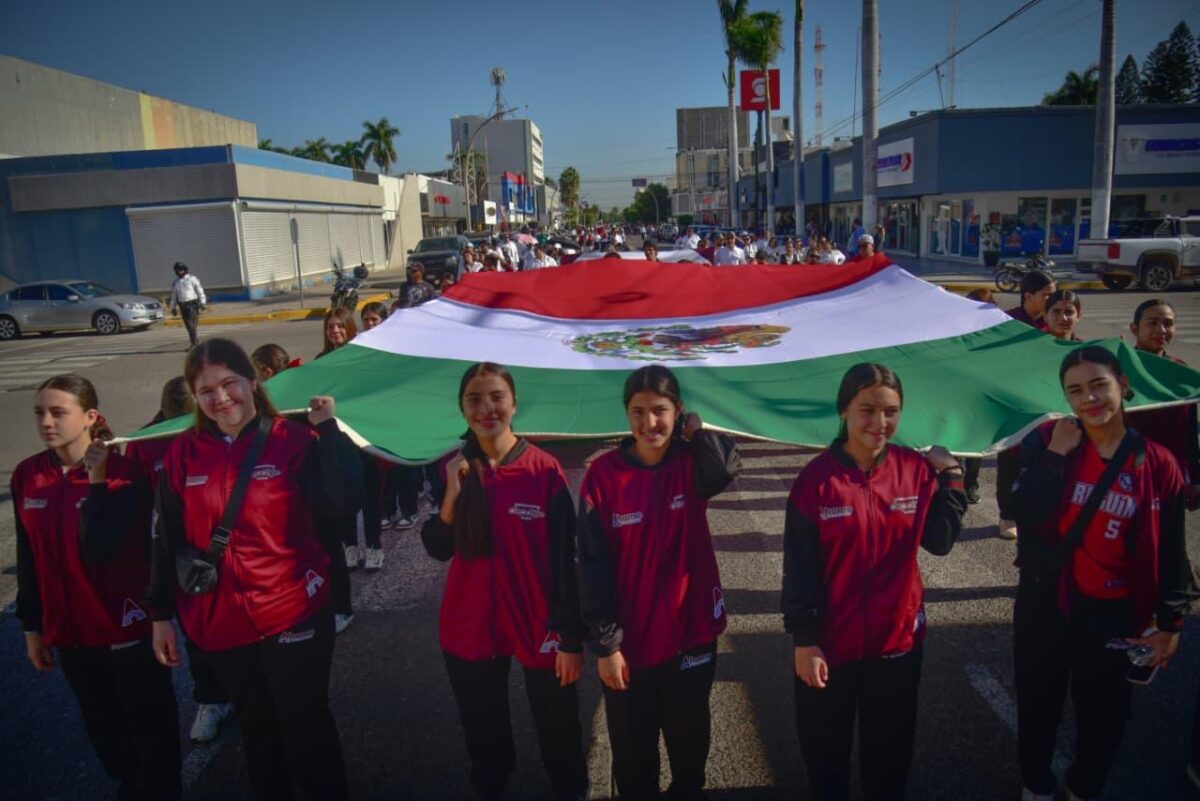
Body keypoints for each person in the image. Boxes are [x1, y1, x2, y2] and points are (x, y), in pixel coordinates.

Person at [148, 338, 362, 801]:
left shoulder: (294, 439)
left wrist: (329, 432)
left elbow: (342, 500)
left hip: (293, 610)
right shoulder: (182, 454)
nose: (221, 398)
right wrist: (160, 614)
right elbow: (166, 538)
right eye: (206, 390)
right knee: (258, 732)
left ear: (252, 380)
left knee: (305, 727)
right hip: (221, 621)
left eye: (229, 383)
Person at [1011, 346, 1191, 801]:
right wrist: (1055, 455)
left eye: (1098, 385)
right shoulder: (1050, 441)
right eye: (1075, 390)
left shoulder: (1157, 464)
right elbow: (1024, 512)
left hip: (1114, 612)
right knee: (1038, 702)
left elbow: (1172, 550)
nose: (1088, 398)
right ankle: (1036, 784)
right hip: (1048, 602)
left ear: (1123, 386)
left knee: (1105, 714)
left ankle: (1083, 785)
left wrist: (1171, 623)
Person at [783, 363, 966, 801]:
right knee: (826, 759)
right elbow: (799, 568)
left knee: (889, 758)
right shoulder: (816, 481)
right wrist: (804, 641)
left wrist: (952, 478)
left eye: (891, 411)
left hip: (896, 644)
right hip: (830, 646)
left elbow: (940, 541)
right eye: (867, 410)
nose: (879, 422)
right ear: (844, 410)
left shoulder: (914, 470)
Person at [420, 363, 589, 801]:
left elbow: (567, 559)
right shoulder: (454, 467)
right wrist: (452, 494)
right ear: (462, 408)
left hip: (539, 620)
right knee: (484, 734)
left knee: (558, 725)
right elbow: (438, 547)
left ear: (514, 403)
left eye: (496, 397)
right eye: (474, 399)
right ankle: (490, 784)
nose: (486, 408)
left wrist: (570, 637)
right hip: (470, 622)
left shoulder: (543, 470)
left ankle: (571, 787)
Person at [577, 365, 741, 800]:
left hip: (691, 635)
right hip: (630, 644)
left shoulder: (692, 463)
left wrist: (697, 433)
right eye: (638, 412)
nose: (649, 422)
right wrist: (606, 645)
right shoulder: (603, 475)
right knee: (634, 763)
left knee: (690, 754)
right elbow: (591, 565)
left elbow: (726, 467)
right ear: (626, 414)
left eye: (660, 410)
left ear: (678, 411)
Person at [15, 374, 182, 801]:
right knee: (105, 733)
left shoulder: (125, 474)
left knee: (152, 734)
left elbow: (105, 548)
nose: (46, 422)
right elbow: (28, 555)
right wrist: (32, 626)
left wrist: (96, 482)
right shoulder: (28, 476)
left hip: (125, 630)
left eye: (58, 412)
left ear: (90, 417)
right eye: (40, 413)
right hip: (71, 637)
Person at [126, 377, 235, 746]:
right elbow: (139, 507)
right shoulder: (143, 444)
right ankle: (211, 699)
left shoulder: (218, 432)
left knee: (236, 627)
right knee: (196, 633)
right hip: (181, 557)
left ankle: (245, 688)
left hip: (224, 547)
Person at [995, 269, 1060, 539]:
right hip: (1015, 402)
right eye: (1047, 295)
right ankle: (1007, 515)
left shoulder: (1054, 321)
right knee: (1011, 459)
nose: (1052, 299)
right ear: (1028, 296)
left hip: (1047, 403)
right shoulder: (1008, 322)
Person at [961, 288, 999, 505]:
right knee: (955, 441)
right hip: (960, 394)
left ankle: (971, 484)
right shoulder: (959, 331)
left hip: (981, 397)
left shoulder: (995, 332)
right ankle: (954, 482)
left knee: (976, 445)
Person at [169, 261, 207, 348]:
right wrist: (173, 308)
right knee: (188, 326)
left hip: (192, 305)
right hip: (183, 306)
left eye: (181, 270)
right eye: (178, 270)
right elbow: (174, 296)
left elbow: (200, 290)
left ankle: (195, 343)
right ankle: (195, 342)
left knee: (191, 324)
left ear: (185, 270)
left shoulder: (192, 279)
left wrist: (203, 302)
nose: (180, 271)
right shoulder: (176, 282)